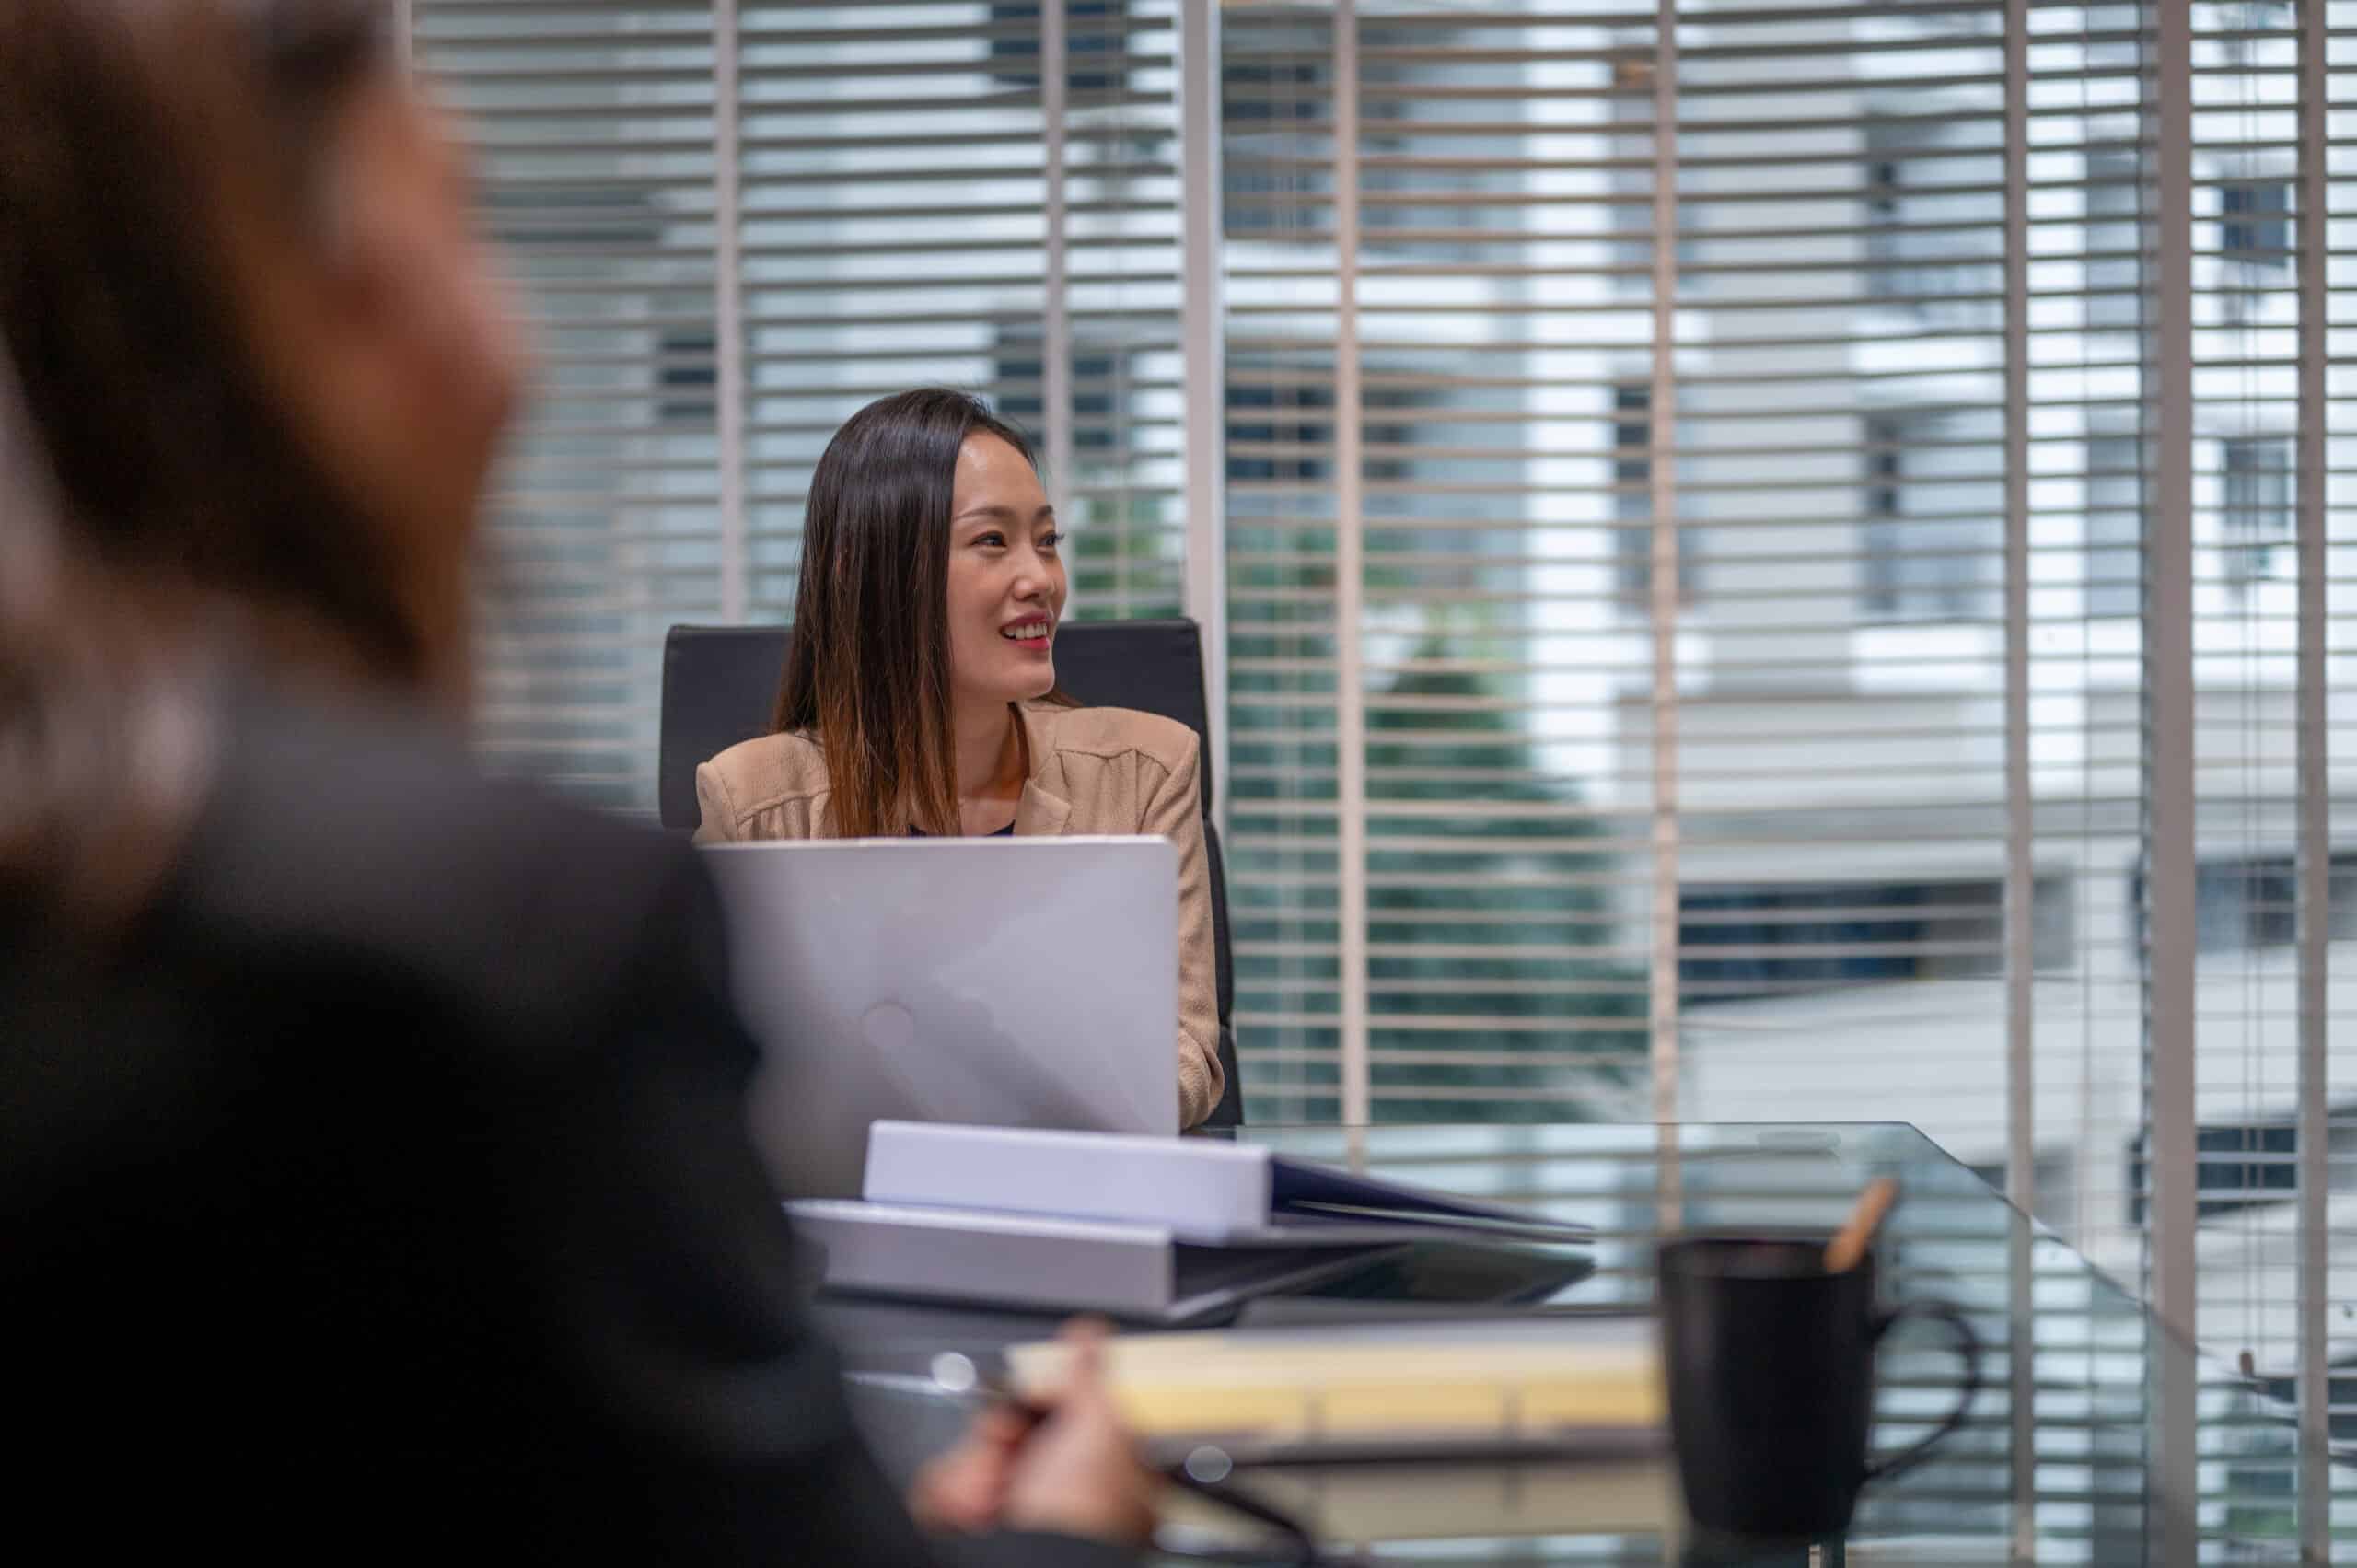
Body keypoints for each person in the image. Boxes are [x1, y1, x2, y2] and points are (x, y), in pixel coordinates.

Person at [0, 0, 1153, 1558]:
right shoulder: (503, 930)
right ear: (290, 307)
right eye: (460, 230)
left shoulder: (1135, 766)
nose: (521, 350)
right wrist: (1065, 1536)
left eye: (1047, 539)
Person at [693, 389, 1225, 1128]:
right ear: (863, 570)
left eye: (1046, 540)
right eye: (992, 541)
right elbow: (716, 1078)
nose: (1040, 578)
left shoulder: (1144, 771)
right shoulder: (752, 803)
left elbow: (1188, 1052)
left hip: (1075, 1200)